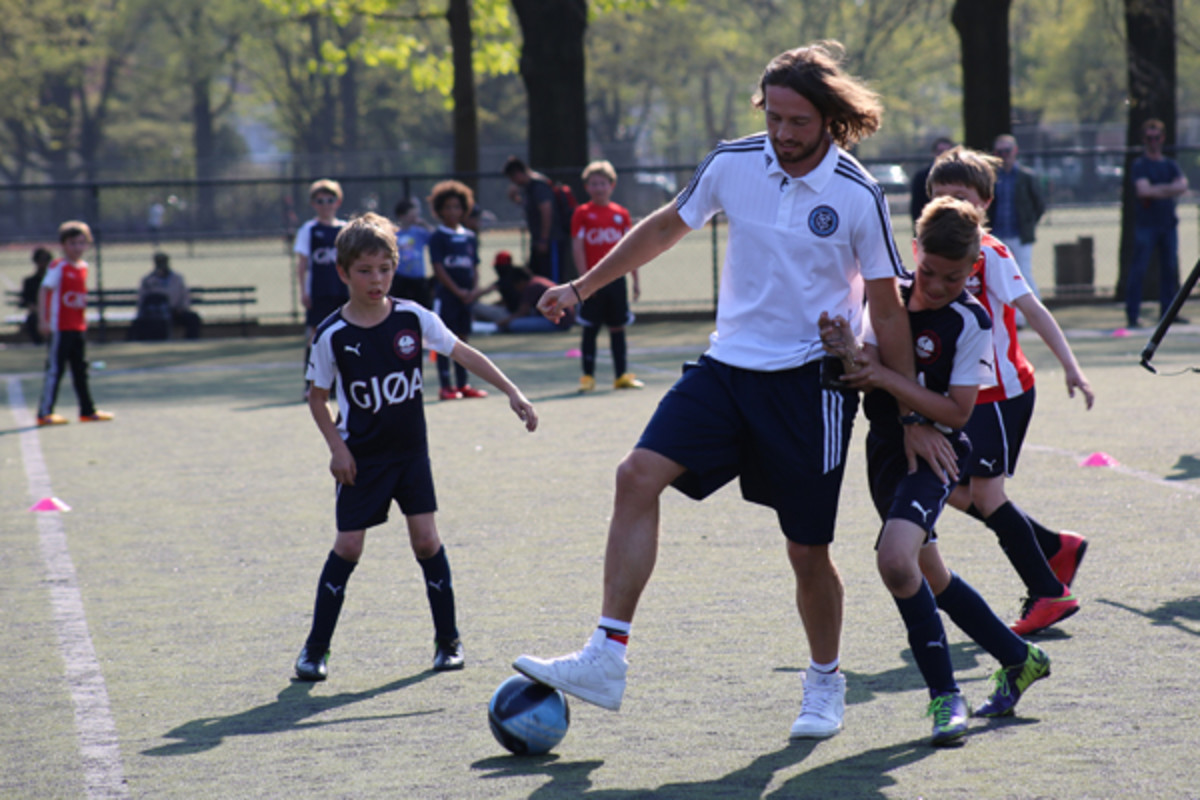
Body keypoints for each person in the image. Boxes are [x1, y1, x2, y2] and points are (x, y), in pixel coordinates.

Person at [513, 41, 926, 740]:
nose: (786, 134)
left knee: (806, 550)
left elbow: (886, 309)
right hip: (727, 369)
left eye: (800, 121)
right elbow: (668, 225)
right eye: (776, 118)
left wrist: (911, 410)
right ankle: (608, 654)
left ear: (828, 117)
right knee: (636, 476)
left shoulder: (858, 193)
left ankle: (824, 682)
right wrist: (582, 287)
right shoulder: (733, 163)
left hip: (811, 387)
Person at [821, 196, 1051, 746]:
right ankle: (1020, 658)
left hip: (939, 454)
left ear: (972, 269)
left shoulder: (970, 319)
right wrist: (845, 350)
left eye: (953, 277)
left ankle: (946, 697)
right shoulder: (884, 294)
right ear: (914, 250)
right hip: (884, 455)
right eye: (928, 271)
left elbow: (956, 411)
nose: (937, 285)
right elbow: (861, 372)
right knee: (933, 578)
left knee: (897, 563)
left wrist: (890, 384)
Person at [295, 212, 538, 682]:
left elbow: (463, 351)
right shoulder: (332, 335)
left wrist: (513, 390)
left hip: (410, 455)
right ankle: (314, 650)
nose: (376, 279)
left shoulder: (411, 316)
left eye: (384, 269)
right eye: (364, 271)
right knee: (348, 547)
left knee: (426, 541)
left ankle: (448, 641)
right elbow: (317, 397)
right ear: (343, 272)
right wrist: (336, 449)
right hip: (361, 459)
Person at [928, 146, 1095, 636]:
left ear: (984, 204)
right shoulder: (927, 251)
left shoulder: (991, 253)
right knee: (954, 492)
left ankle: (1048, 592)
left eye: (961, 197)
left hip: (998, 395)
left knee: (986, 495)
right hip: (961, 397)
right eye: (941, 196)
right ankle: (1051, 546)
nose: (951, 205)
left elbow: (1035, 310)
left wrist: (1071, 366)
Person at [570, 160, 643, 391]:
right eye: (594, 183)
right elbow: (578, 246)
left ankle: (621, 375)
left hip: (616, 281)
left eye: (603, 183)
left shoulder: (621, 214)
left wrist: (635, 279)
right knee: (590, 328)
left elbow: (631, 249)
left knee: (617, 327)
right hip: (593, 282)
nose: (599, 187)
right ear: (587, 187)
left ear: (611, 185)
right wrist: (584, 281)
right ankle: (588, 377)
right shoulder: (582, 213)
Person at [35, 221, 114, 427]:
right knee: (55, 370)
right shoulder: (59, 266)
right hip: (60, 328)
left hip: (77, 327)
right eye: (73, 243)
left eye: (82, 243)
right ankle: (44, 412)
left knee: (81, 370)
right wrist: (43, 319)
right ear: (63, 244)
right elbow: (45, 290)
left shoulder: (83, 267)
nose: (78, 248)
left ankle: (87, 410)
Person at [1126, 118, 1190, 328]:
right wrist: (1168, 189)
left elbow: (1182, 186)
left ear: (1162, 138)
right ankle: (1133, 314)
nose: (1153, 141)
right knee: (1139, 269)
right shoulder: (1140, 165)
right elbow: (1143, 190)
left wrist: (1157, 190)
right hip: (1146, 225)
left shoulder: (1170, 164)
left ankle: (1169, 313)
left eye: (1157, 137)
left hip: (1168, 224)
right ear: (1144, 140)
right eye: (1149, 138)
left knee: (1170, 269)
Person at [428, 180, 488, 401]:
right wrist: (457, 291)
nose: (453, 211)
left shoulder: (470, 236)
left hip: (466, 298)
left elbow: (474, 266)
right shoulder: (438, 237)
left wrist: (473, 290)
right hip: (447, 297)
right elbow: (438, 268)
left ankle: (463, 385)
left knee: (462, 340)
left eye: (457, 206)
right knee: (444, 340)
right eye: (448, 207)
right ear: (439, 210)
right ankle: (446, 386)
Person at [295, 179, 348, 384]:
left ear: (338, 202)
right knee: (316, 337)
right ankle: (312, 384)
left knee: (342, 336)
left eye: (330, 200)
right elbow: (302, 263)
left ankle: (339, 383)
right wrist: (303, 291)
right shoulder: (309, 229)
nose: (325, 204)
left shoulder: (344, 229)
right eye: (320, 200)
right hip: (319, 292)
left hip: (342, 292)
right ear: (313, 204)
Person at [987, 134, 1045, 300]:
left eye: (1007, 151)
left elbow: (1039, 205)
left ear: (1015, 151)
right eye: (999, 152)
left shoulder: (1027, 176)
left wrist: (1028, 224)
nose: (1004, 156)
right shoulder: (992, 178)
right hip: (997, 234)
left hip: (1020, 235)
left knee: (1023, 274)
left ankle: (1036, 315)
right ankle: (1011, 319)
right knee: (997, 277)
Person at [503, 156, 573, 282]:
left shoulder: (539, 186)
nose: (513, 182)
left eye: (512, 178)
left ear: (518, 173)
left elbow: (546, 211)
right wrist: (514, 198)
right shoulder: (528, 188)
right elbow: (529, 206)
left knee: (553, 279)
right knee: (539, 276)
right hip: (540, 240)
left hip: (552, 240)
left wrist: (544, 239)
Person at [133, 252, 202, 340]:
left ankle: (190, 342)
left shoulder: (177, 278)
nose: (162, 265)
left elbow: (185, 296)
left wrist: (182, 308)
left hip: (176, 311)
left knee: (193, 318)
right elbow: (142, 299)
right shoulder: (148, 280)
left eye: (163, 262)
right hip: (156, 313)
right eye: (159, 262)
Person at [494, 267, 574, 333]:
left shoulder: (531, 287)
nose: (517, 290)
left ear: (520, 282)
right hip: (565, 318)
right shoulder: (537, 280)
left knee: (514, 325)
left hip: (558, 322)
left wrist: (504, 322)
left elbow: (522, 312)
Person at [390, 198, 434, 307]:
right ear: (402, 215)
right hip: (401, 278)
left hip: (418, 277)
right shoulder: (394, 234)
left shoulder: (419, 232)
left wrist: (424, 224)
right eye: (411, 215)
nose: (414, 217)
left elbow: (435, 238)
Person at [909, 136, 954, 226]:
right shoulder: (921, 177)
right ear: (934, 153)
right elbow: (916, 207)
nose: (944, 155)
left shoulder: (960, 176)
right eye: (940, 151)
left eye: (948, 152)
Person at [20, 247, 53, 345]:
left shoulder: (54, 281)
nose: (43, 264)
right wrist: (40, 311)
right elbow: (27, 301)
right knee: (32, 319)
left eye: (45, 260)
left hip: (54, 312)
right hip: (37, 313)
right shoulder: (30, 282)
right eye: (40, 260)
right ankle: (38, 343)